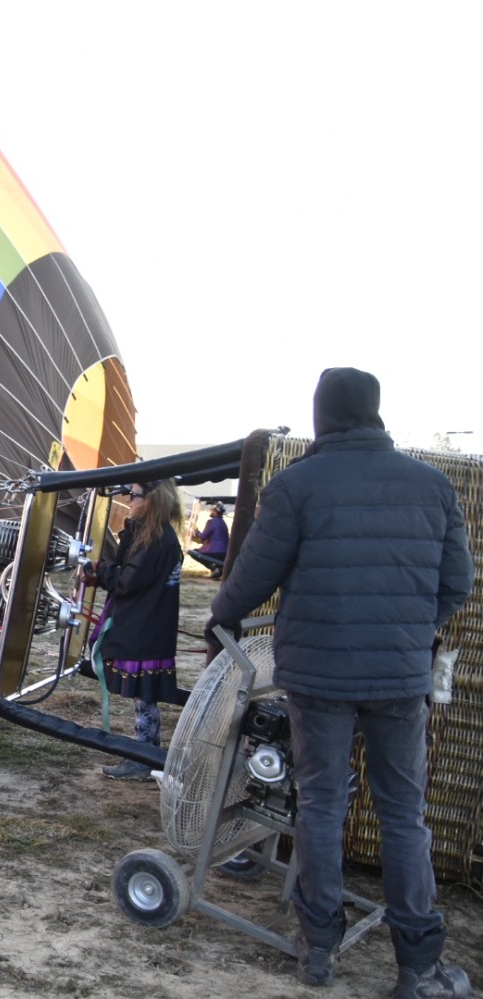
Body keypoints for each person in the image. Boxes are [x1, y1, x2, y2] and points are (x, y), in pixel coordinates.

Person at [207, 368, 473, 996]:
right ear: (376, 413)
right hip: (400, 679)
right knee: (404, 813)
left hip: (319, 675)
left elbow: (253, 575)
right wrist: (412, 630)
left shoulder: (297, 485)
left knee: (323, 804)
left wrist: (220, 616)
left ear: (323, 415)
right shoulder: (432, 487)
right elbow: (457, 581)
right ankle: (419, 967)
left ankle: (318, 950)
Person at [84, 479, 183, 780]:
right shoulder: (154, 535)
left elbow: (128, 581)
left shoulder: (155, 540)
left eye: (135, 495)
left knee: (144, 696)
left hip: (144, 626)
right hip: (149, 625)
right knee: (145, 696)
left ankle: (143, 758)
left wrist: (100, 571)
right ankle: (149, 754)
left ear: (153, 499)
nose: (128, 500)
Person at [187, 501, 229, 579]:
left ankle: (213, 569)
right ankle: (219, 568)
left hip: (215, 552)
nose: (210, 510)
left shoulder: (212, 522)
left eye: (212, 509)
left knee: (193, 552)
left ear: (216, 511)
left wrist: (196, 531)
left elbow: (203, 537)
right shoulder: (223, 523)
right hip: (224, 553)